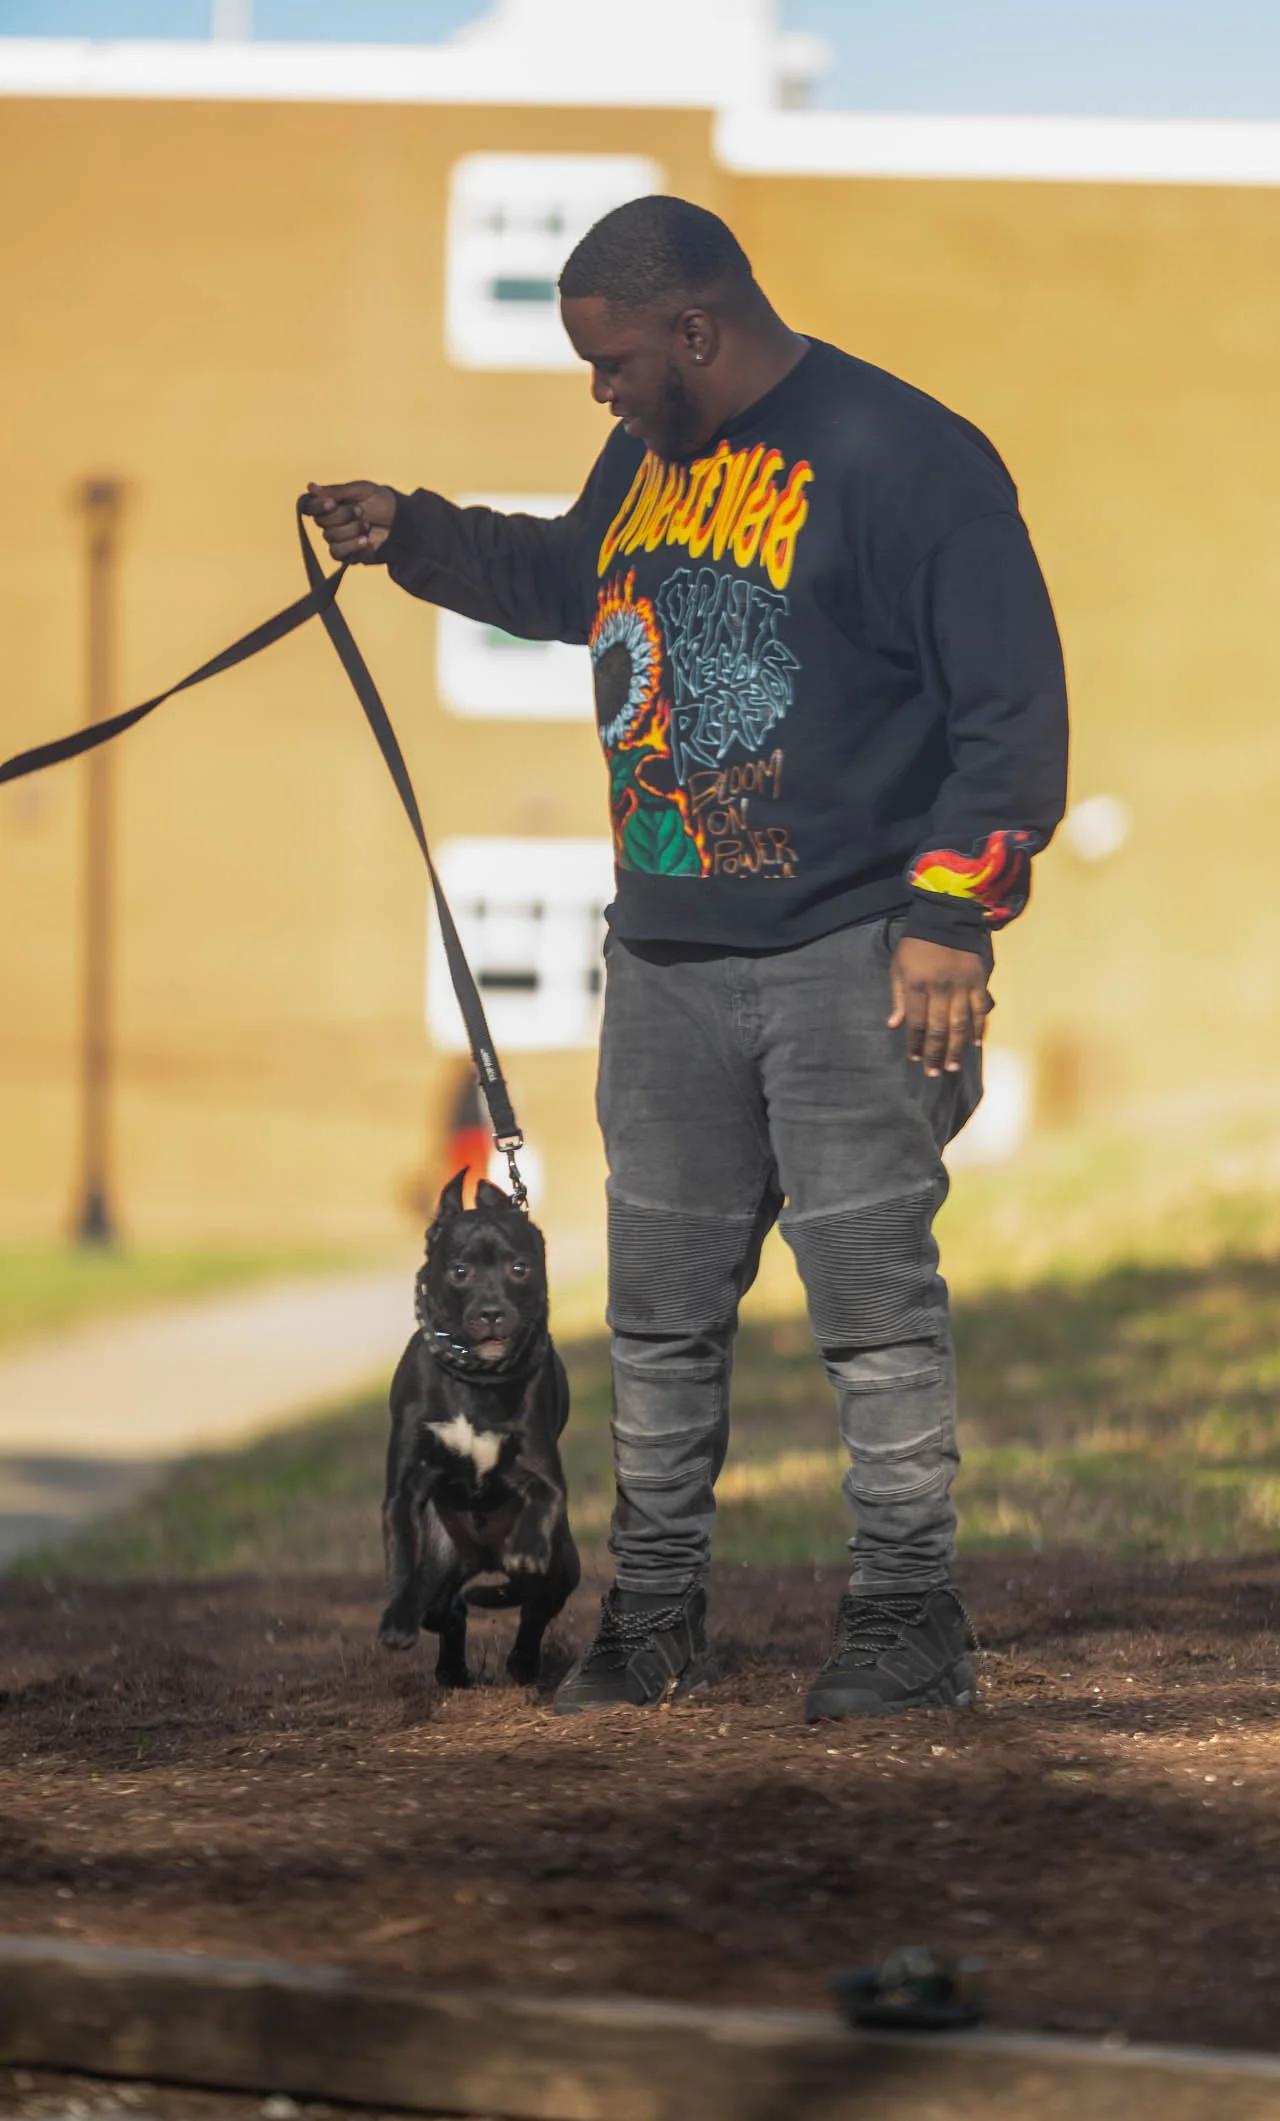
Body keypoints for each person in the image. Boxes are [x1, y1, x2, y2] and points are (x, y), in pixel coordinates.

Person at [309, 194, 1068, 1723]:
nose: (599, 391)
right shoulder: (647, 461)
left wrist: (948, 919)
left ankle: (908, 1617)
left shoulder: (906, 459)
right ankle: (653, 1617)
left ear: (695, 331)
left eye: (613, 363)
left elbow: (1008, 711)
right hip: (661, 960)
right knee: (655, 1318)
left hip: (852, 952)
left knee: (871, 1307)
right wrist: (417, 535)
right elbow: (568, 582)